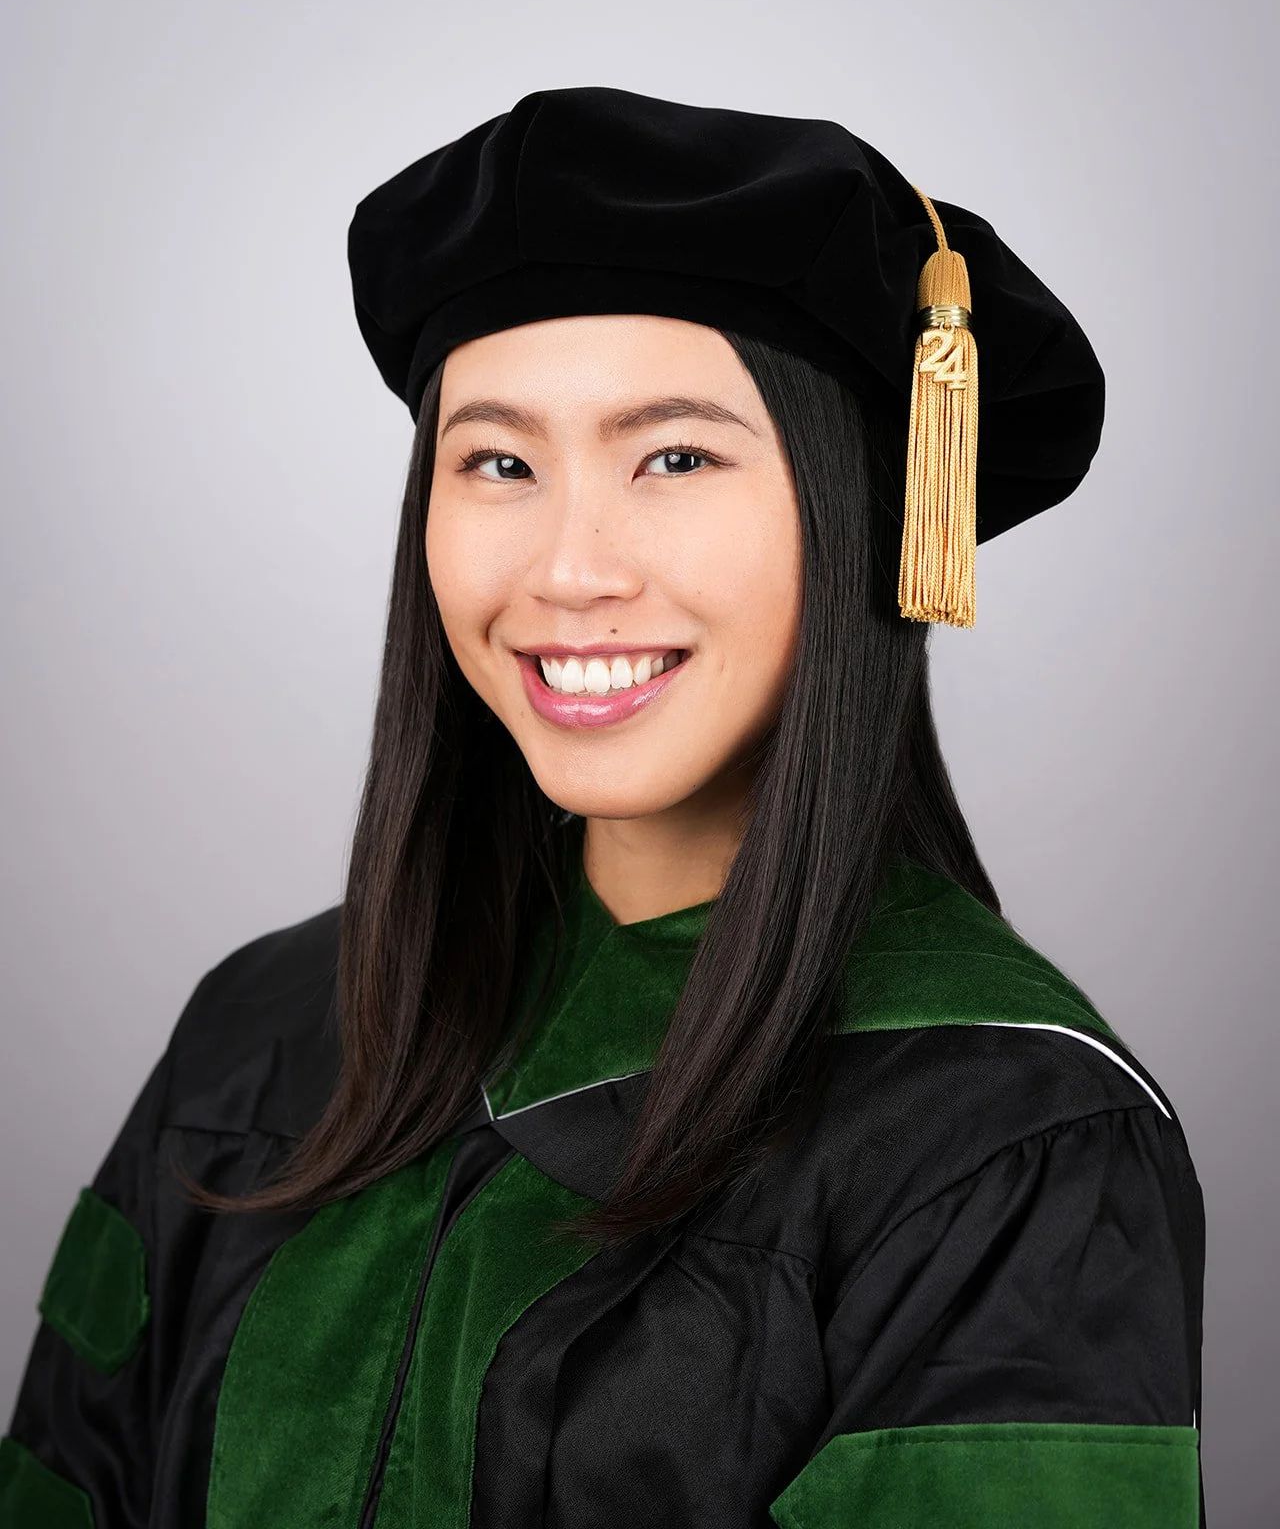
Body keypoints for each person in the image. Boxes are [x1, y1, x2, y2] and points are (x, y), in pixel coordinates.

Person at [0, 86, 1204, 1529]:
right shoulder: (261, 1033)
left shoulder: (1008, 1142)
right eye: (498, 462)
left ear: (871, 512)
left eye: (675, 456)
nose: (570, 568)